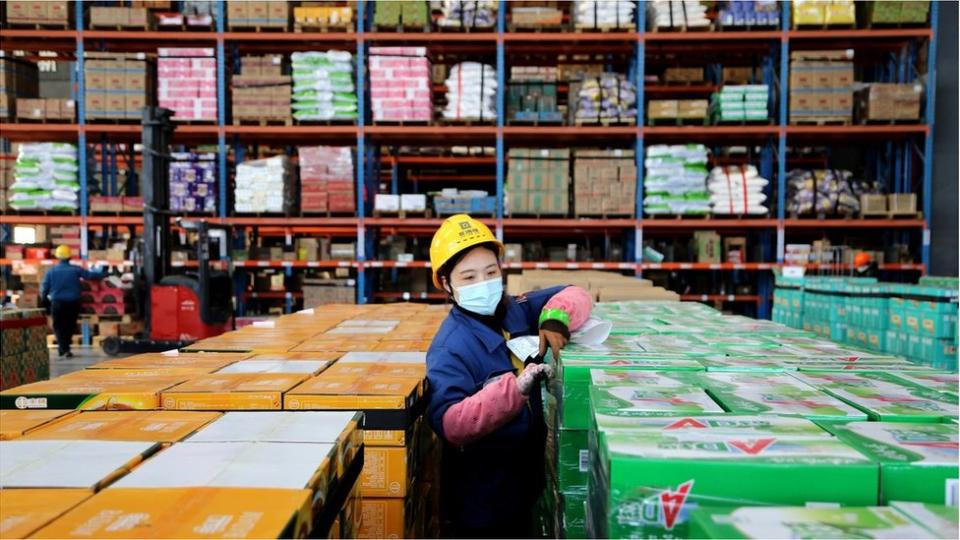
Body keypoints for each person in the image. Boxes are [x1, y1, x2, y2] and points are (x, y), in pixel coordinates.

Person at [425, 214, 594, 538]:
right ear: (447, 284)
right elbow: (450, 422)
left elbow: (576, 293)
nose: (483, 283)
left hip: (527, 482)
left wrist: (556, 318)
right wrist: (513, 390)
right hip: (484, 499)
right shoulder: (450, 347)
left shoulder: (515, 309)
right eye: (469, 276)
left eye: (490, 272)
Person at [40, 245, 107, 358]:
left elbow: (44, 289)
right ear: (69, 257)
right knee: (70, 325)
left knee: (59, 326)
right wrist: (104, 273)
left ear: (57, 257)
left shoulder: (51, 272)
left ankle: (63, 349)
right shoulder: (75, 269)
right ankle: (65, 348)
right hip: (73, 303)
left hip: (57, 303)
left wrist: (44, 302)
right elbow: (90, 276)